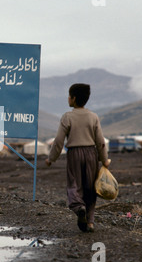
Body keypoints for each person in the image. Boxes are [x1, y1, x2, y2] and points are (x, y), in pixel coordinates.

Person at [45, 83, 110, 233]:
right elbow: (100, 141)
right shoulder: (93, 117)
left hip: (74, 154)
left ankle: (78, 207)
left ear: (74, 99)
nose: (68, 98)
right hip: (91, 154)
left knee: (74, 184)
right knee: (90, 188)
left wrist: (51, 159)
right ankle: (90, 222)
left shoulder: (67, 117)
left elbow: (58, 141)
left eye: (69, 96)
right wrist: (104, 159)